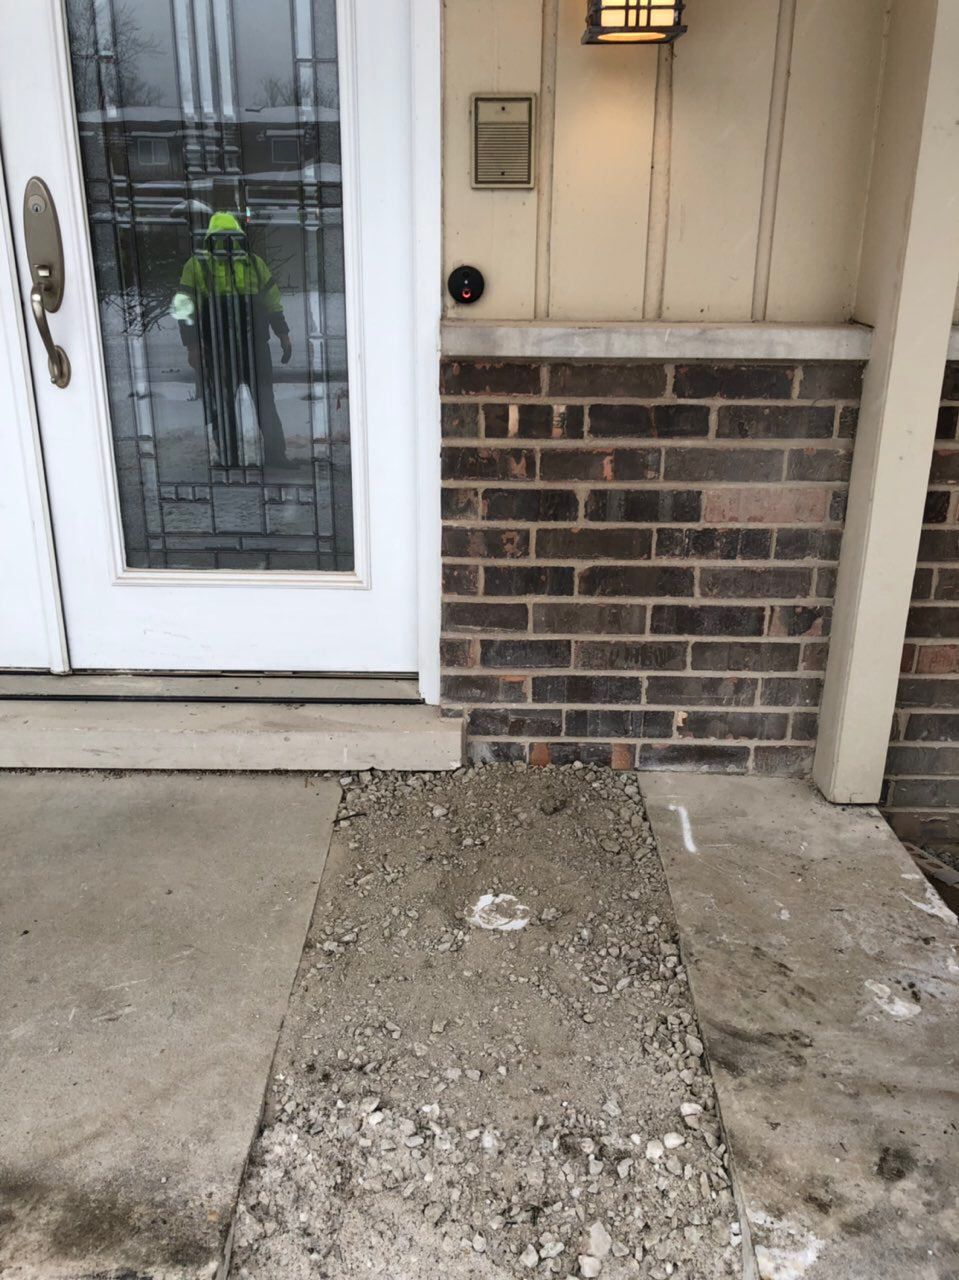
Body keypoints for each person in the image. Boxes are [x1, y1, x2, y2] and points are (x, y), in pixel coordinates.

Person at [171, 211, 298, 468]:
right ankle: (265, 457)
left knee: (240, 404)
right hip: (234, 349)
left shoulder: (241, 264)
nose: (226, 244)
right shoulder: (245, 263)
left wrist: (193, 347)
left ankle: (237, 458)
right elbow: (184, 308)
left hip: (235, 349)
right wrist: (283, 335)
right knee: (254, 403)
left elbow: (272, 302)